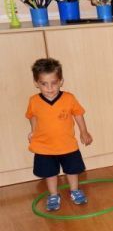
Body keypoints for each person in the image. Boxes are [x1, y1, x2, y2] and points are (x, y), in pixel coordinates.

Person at [26, 58, 93, 212]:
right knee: (49, 173)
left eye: (54, 83)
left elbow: (78, 114)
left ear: (61, 81)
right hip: (44, 147)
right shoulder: (34, 101)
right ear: (36, 83)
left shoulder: (69, 98)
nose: (50, 88)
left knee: (72, 170)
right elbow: (33, 116)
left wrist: (84, 131)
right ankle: (53, 195)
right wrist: (33, 131)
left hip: (67, 144)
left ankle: (75, 190)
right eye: (44, 84)